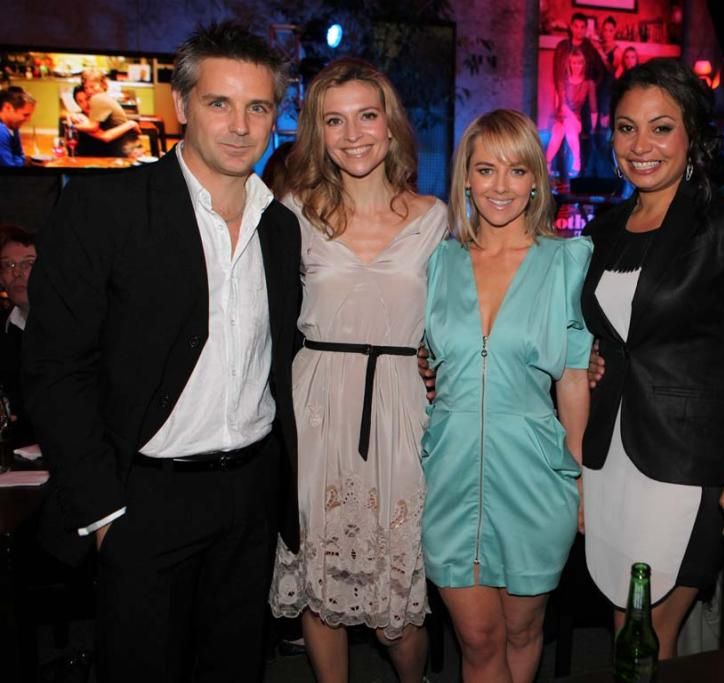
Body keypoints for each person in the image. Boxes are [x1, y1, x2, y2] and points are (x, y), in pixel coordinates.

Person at [23, 22, 301, 682]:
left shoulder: (281, 228)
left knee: (235, 669)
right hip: (143, 499)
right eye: (219, 102)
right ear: (181, 104)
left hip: (249, 495)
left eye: (258, 107)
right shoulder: (107, 207)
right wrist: (105, 512)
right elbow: (55, 366)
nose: (240, 125)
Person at [580, 58, 724, 659]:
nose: (640, 145)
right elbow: (607, 329)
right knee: (626, 627)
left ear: (692, 135)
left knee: (648, 635)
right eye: (626, 128)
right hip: (609, 454)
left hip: (687, 460)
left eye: (661, 128)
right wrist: (590, 356)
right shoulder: (605, 228)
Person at [267, 58, 446, 683]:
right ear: (318, 133)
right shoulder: (292, 213)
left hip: (402, 406)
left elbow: (465, 314)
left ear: (390, 125)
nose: (353, 134)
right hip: (315, 405)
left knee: (398, 596)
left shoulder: (435, 218)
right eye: (334, 120)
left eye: (366, 116)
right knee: (319, 576)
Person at [421, 109, 591, 682]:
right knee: (477, 638)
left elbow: (572, 378)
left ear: (536, 181)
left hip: (536, 477)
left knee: (521, 632)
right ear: (465, 178)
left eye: (517, 170)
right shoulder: (438, 262)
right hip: (449, 474)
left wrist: (580, 479)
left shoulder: (566, 262)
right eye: (485, 169)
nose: (500, 186)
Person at [0, 226, 35, 445]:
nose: (17, 273)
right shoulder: (5, 331)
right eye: (8, 265)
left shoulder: (79, 331)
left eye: (28, 264)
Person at [545, 48, 598, 178]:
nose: (576, 66)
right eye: (574, 63)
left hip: (577, 121)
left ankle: (555, 162)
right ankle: (554, 163)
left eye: (579, 63)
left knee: (569, 126)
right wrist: (565, 117)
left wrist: (593, 128)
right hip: (562, 118)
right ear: (569, 64)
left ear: (583, 64)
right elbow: (562, 104)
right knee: (558, 132)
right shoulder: (562, 81)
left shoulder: (588, 84)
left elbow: (593, 108)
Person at [78, 69, 142, 157]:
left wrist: (72, 126)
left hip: (124, 147)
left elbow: (93, 127)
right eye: (86, 87)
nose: (89, 91)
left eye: (92, 87)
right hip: (129, 144)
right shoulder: (104, 97)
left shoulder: (97, 98)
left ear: (103, 84)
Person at [0, 86, 35, 167]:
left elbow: (20, 155)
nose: (29, 119)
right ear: (7, 108)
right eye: (25, 115)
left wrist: (21, 161)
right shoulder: (1, 132)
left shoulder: (13, 127)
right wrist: (22, 161)